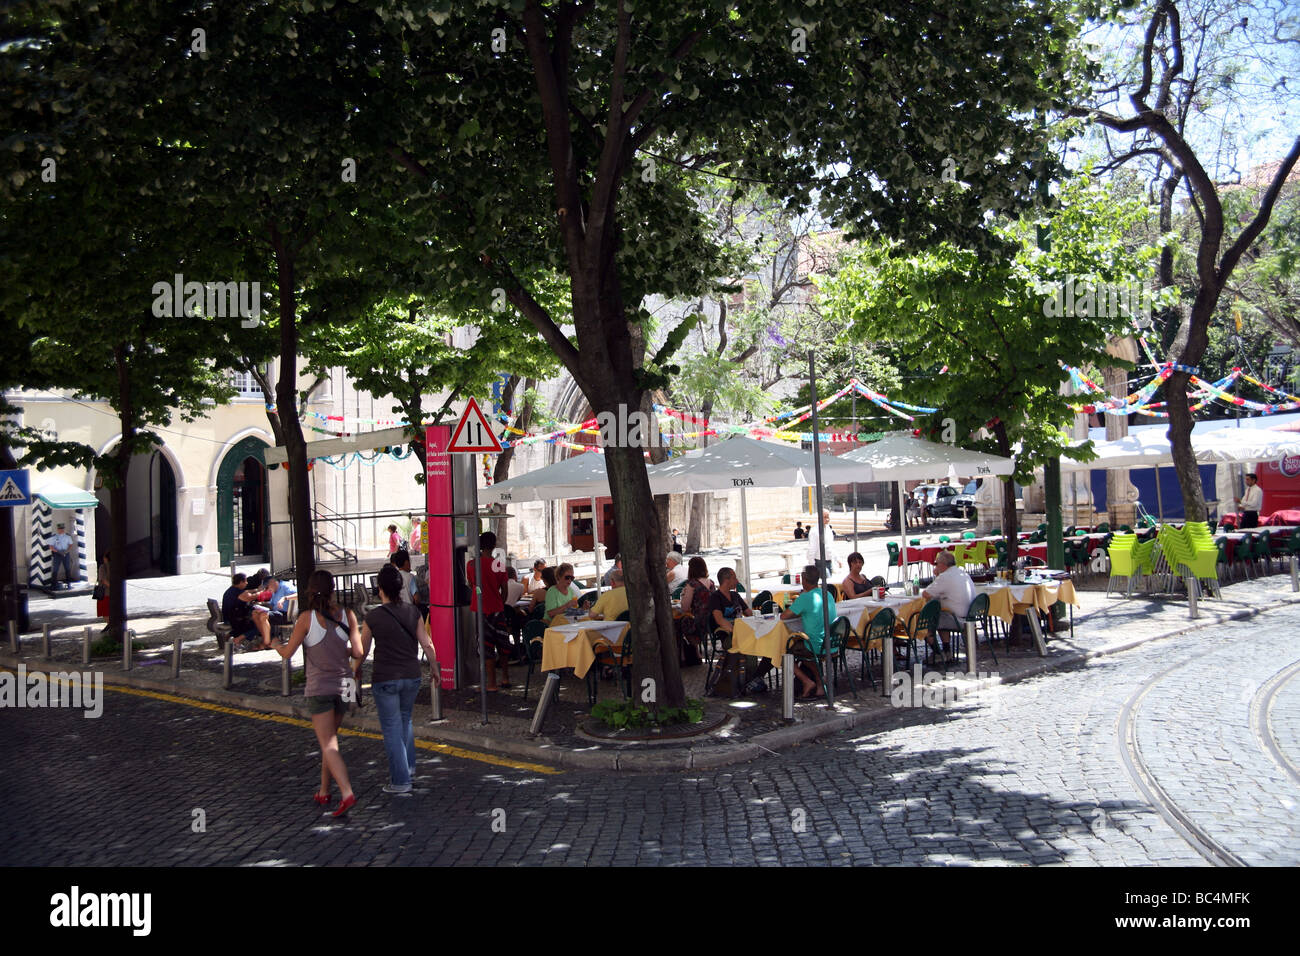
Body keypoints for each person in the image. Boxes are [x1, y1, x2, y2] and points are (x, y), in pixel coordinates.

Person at [273, 569, 363, 815]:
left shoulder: (306, 619)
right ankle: (324, 790)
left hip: (320, 687)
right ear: (333, 588)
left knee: (328, 742)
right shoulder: (348, 615)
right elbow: (358, 652)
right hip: (345, 686)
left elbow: (287, 653)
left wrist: (273, 643)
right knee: (330, 738)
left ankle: (346, 792)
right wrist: (339, 650)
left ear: (310, 591)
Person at [361, 564, 436, 794]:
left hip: (385, 677)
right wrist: (435, 668)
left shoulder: (372, 617)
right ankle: (409, 768)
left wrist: (352, 669)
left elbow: (361, 652)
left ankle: (401, 781)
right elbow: (427, 643)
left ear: (379, 588)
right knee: (405, 721)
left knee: (392, 727)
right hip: (411, 676)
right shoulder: (413, 612)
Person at [466, 531, 513, 691]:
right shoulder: (499, 564)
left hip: (481, 609)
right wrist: (499, 601)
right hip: (498, 609)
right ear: (494, 546)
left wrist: (482, 595)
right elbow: (504, 589)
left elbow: (474, 586)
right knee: (502, 643)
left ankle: (491, 683)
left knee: (486, 646)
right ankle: (505, 678)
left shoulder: (472, 565)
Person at [782, 564, 836, 699]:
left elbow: (784, 616)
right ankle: (819, 684)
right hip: (831, 642)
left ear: (804, 580)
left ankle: (807, 681)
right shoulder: (827, 593)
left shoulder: (805, 598)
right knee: (806, 651)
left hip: (814, 645)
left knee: (784, 653)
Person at [706, 567, 760, 689]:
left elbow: (748, 612)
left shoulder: (735, 595)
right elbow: (719, 619)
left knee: (762, 643)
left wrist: (759, 618)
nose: (737, 581)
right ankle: (750, 680)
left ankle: (756, 678)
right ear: (726, 580)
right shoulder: (716, 597)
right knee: (749, 648)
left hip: (743, 632)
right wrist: (736, 631)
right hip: (728, 636)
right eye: (734, 578)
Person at [921, 549, 977, 661]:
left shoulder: (945, 577)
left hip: (957, 618)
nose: (935, 566)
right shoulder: (962, 572)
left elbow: (926, 594)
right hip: (970, 615)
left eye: (936, 563)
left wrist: (937, 576)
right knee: (941, 614)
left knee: (924, 621)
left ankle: (938, 653)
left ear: (942, 564)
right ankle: (946, 651)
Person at [676, 557, 715, 666]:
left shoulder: (692, 584)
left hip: (697, 621)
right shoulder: (711, 583)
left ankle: (683, 655)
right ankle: (696, 653)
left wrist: (683, 595)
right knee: (687, 620)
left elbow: (684, 607)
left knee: (677, 623)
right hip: (710, 621)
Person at [221, 572, 272, 650]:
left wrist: (256, 590)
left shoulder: (233, 590)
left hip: (231, 616)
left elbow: (247, 592)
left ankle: (232, 635)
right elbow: (250, 597)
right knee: (258, 624)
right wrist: (262, 592)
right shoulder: (236, 592)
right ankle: (237, 640)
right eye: (245, 581)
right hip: (234, 619)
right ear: (241, 582)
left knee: (255, 619)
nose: (247, 583)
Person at [48, 522, 75, 589]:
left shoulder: (67, 536)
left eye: (62, 529)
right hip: (57, 554)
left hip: (65, 553)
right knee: (55, 569)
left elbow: (71, 545)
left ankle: (69, 584)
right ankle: (54, 585)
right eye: (60, 529)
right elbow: (51, 547)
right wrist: (58, 551)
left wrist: (66, 551)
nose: (61, 530)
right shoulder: (54, 537)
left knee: (67, 568)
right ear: (57, 529)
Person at [95, 553, 110, 620]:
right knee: (105, 612)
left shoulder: (103, 567)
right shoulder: (103, 567)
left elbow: (103, 580)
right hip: (104, 592)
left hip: (105, 593)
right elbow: (103, 580)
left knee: (105, 613)